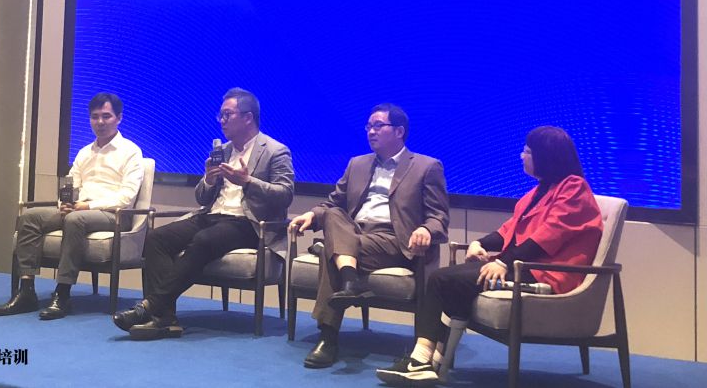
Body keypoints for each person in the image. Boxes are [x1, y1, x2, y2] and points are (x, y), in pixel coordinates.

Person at [376, 125, 604, 386]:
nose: (522, 156)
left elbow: (547, 238)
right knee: (449, 280)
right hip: (523, 267)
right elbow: (509, 232)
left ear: (546, 156)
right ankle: (432, 359)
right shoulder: (539, 192)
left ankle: (421, 360)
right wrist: (479, 242)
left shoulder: (574, 188)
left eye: (527, 151)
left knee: (441, 279)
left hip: (546, 274)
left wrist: (503, 263)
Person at [112, 87, 294, 340]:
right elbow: (202, 198)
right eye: (220, 115)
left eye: (227, 115)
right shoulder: (222, 151)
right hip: (212, 215)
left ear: (248, 117)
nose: (222, 121)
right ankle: (166, 319)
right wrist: (208, 180)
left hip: (248, 223)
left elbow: (285, 194)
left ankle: (150, 306)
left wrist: (247, 182)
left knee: (204, 240)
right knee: (156, 238)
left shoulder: (275, 151)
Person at [289, 102, 449, 368]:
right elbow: (333, 203)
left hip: (393, 239)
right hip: (354, 233)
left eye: (378, 126)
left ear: (399, 131)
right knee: (333, 216)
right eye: (368, 126)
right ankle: (350, 281)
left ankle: (328, 338)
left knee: (330, 249)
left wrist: (425, 229)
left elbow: (439, 216)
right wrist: (312, 215)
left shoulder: (426, 166)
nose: (371, 131)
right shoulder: (357, 164)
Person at [0, 92, 144, 320]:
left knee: (75, 219)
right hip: (79, 209)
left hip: (113, 214)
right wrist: (65, 203)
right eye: (95, 117)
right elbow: (71, 186)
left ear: (119, 118)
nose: (100, 122)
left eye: (106, 116)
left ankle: (62, 293)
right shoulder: (84, 152)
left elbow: (126, 198)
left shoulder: (131, 152)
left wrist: (86, 207)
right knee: (30, 217)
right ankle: (26, 290)